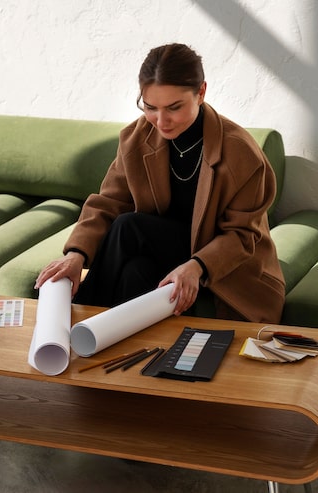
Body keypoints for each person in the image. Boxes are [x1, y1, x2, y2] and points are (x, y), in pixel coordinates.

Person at [35, 43, 285, 323]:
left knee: (129, 226)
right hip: (164, 252)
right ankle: (103, 340)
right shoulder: (137, 138)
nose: (161, 121)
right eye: (150, 107)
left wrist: (195, 266)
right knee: (135, 271)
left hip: (224, 265)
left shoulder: (241, 153)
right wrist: (76, 255)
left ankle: (73, 324)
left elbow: (241, 236)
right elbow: (109, 202)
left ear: (201, 92)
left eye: (174, 107)